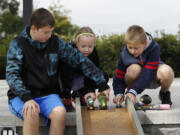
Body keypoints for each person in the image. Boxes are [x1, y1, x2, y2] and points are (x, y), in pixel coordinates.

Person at [6, 8, 110, 135]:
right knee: (31, 112)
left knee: (60, 112)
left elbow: (79, 59)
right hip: (22, 96)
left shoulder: (55, 42)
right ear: (33, 28)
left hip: (47, 94)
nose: (49, 36)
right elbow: (12, 75)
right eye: (45, 32)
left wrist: (102, 83)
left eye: (51, 32)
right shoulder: (18, 44)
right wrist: (27, 98)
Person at [113, 25, 174, 106]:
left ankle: (164, 93)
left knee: (167, 72)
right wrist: (119, 93)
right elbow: (119, 76)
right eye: (130, 47)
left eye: (136, 48)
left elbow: (148, 73)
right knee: (134, 69)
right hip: (135, 80)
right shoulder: (124, 54)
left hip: (152, 76)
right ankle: (130, 95)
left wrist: (134, 91)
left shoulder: (154, 48)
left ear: (145, 43)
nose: (132, 51)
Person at [59, 26, 110, 110]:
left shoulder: (93, 54)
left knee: (103, 76)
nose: (87, 49)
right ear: (76, 44)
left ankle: (79, 93)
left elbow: (94, 72)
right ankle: (67, 98)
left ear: (94, 45)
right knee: (68, 72)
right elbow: (64, 74)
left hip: (81, 78)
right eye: (83, 46)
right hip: (67, 79)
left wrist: (90, 91)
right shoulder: (70, 52)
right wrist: (65, 94)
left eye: (90, 46)